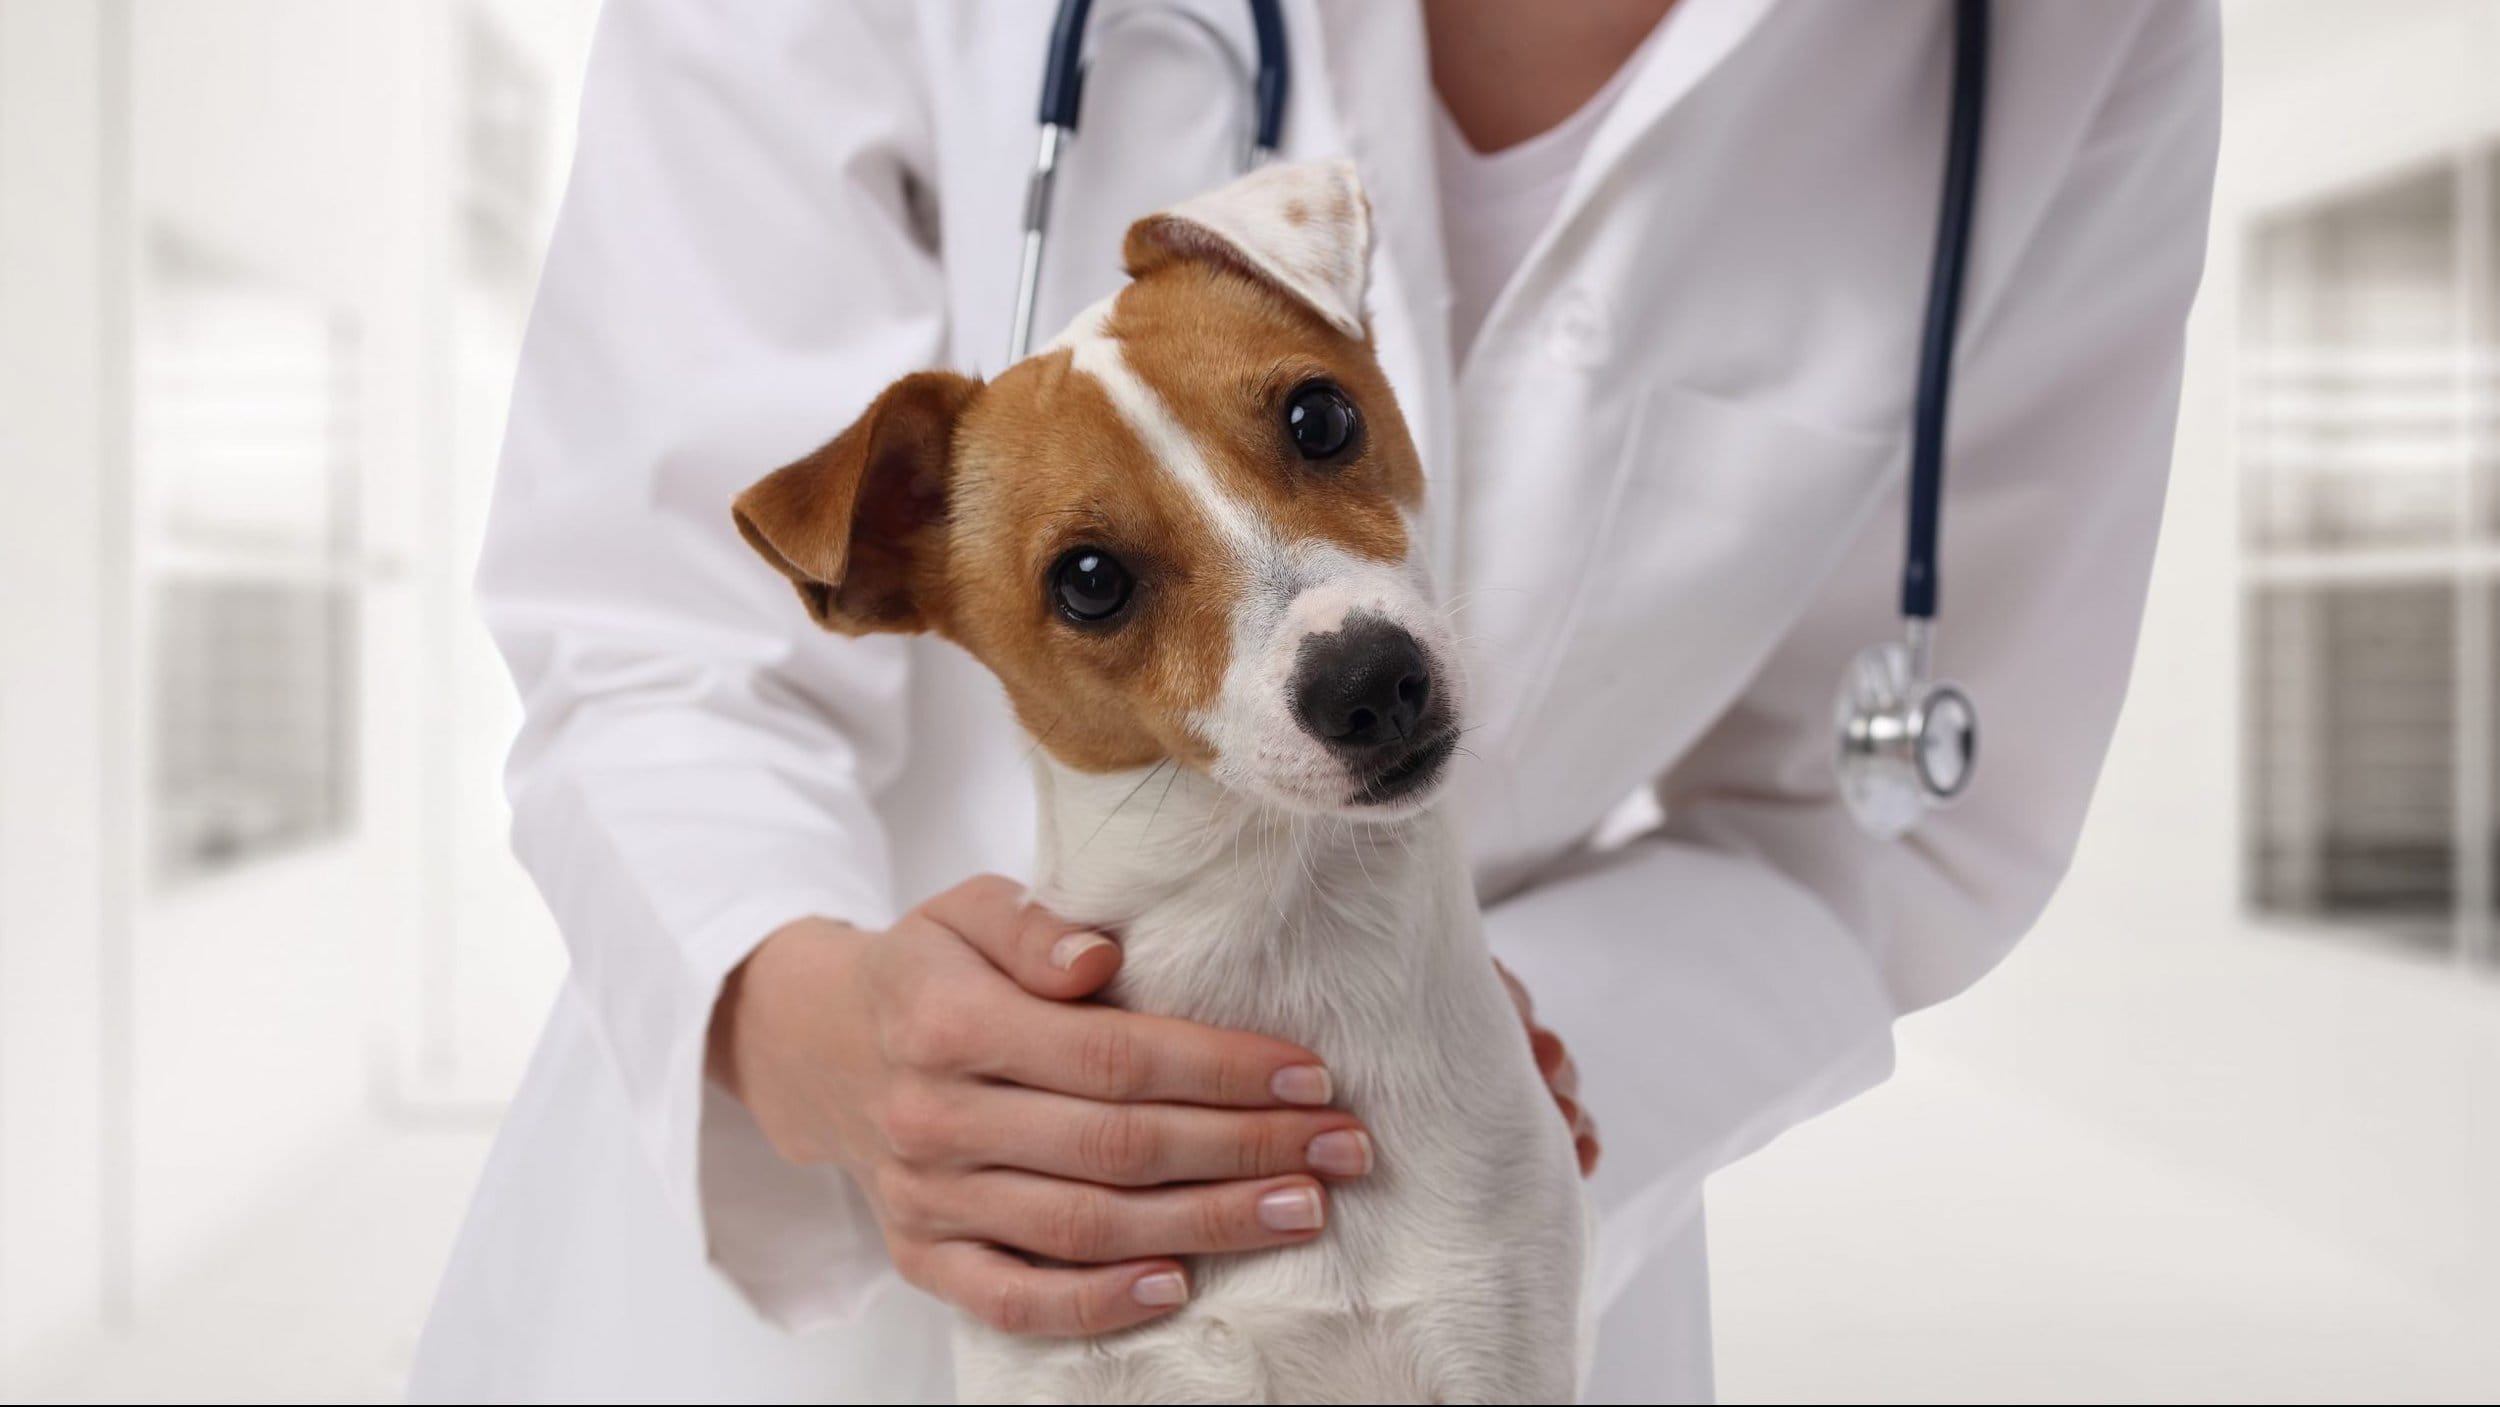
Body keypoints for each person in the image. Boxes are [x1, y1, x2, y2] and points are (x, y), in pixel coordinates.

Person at [410, 0, 2219, 1400]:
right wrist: (816, 1028)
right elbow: (645, 628)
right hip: (837, 1237)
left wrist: (1503, 1070)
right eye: (1101, 585)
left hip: (1488, 1218)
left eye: (1316, 425)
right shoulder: (890, 516)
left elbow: (1916, 810)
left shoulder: (2064, 45)